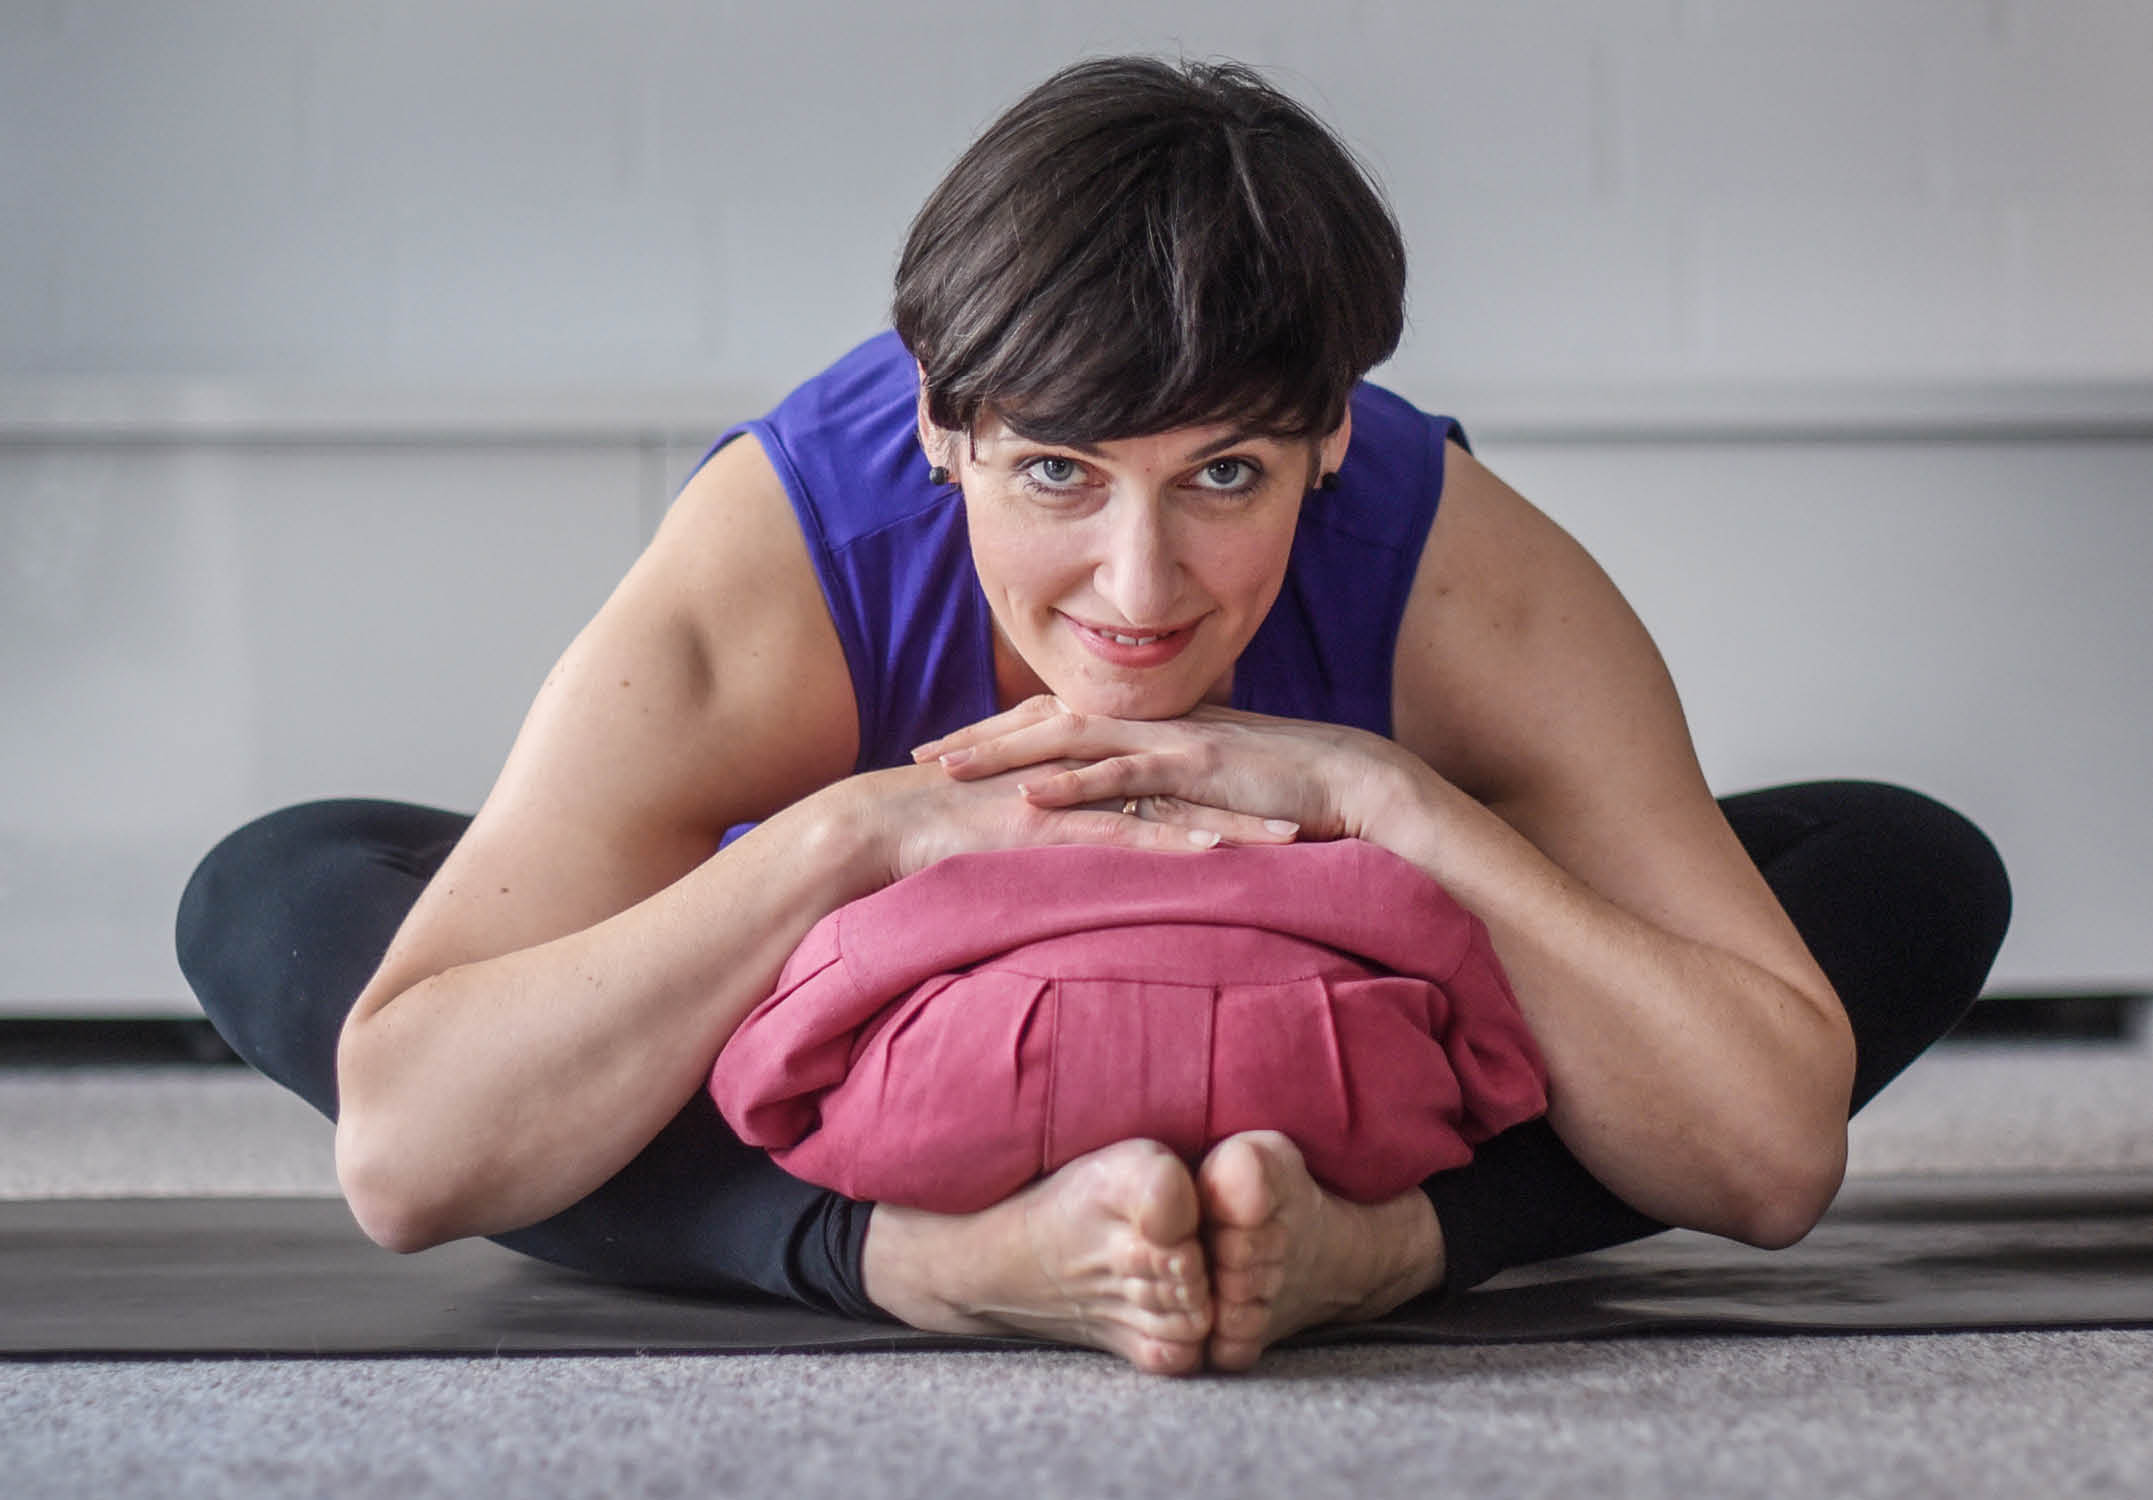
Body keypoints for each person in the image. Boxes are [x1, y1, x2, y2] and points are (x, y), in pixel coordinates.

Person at [177, 56, 2010, 1377]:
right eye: (1054, 473)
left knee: (1894, 868)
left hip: (1332, 1081)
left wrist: (1393, 801)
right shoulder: (782, 562)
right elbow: (408, 1156)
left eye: (1225, 475)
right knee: (291, 893)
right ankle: (921, 1264)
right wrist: (858, 833)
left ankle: (1371, 1253)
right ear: (938, 435)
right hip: (878, 1080)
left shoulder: (1460, 572)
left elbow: (1770, 1160)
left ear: (1328, 441)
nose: (1137, 592)